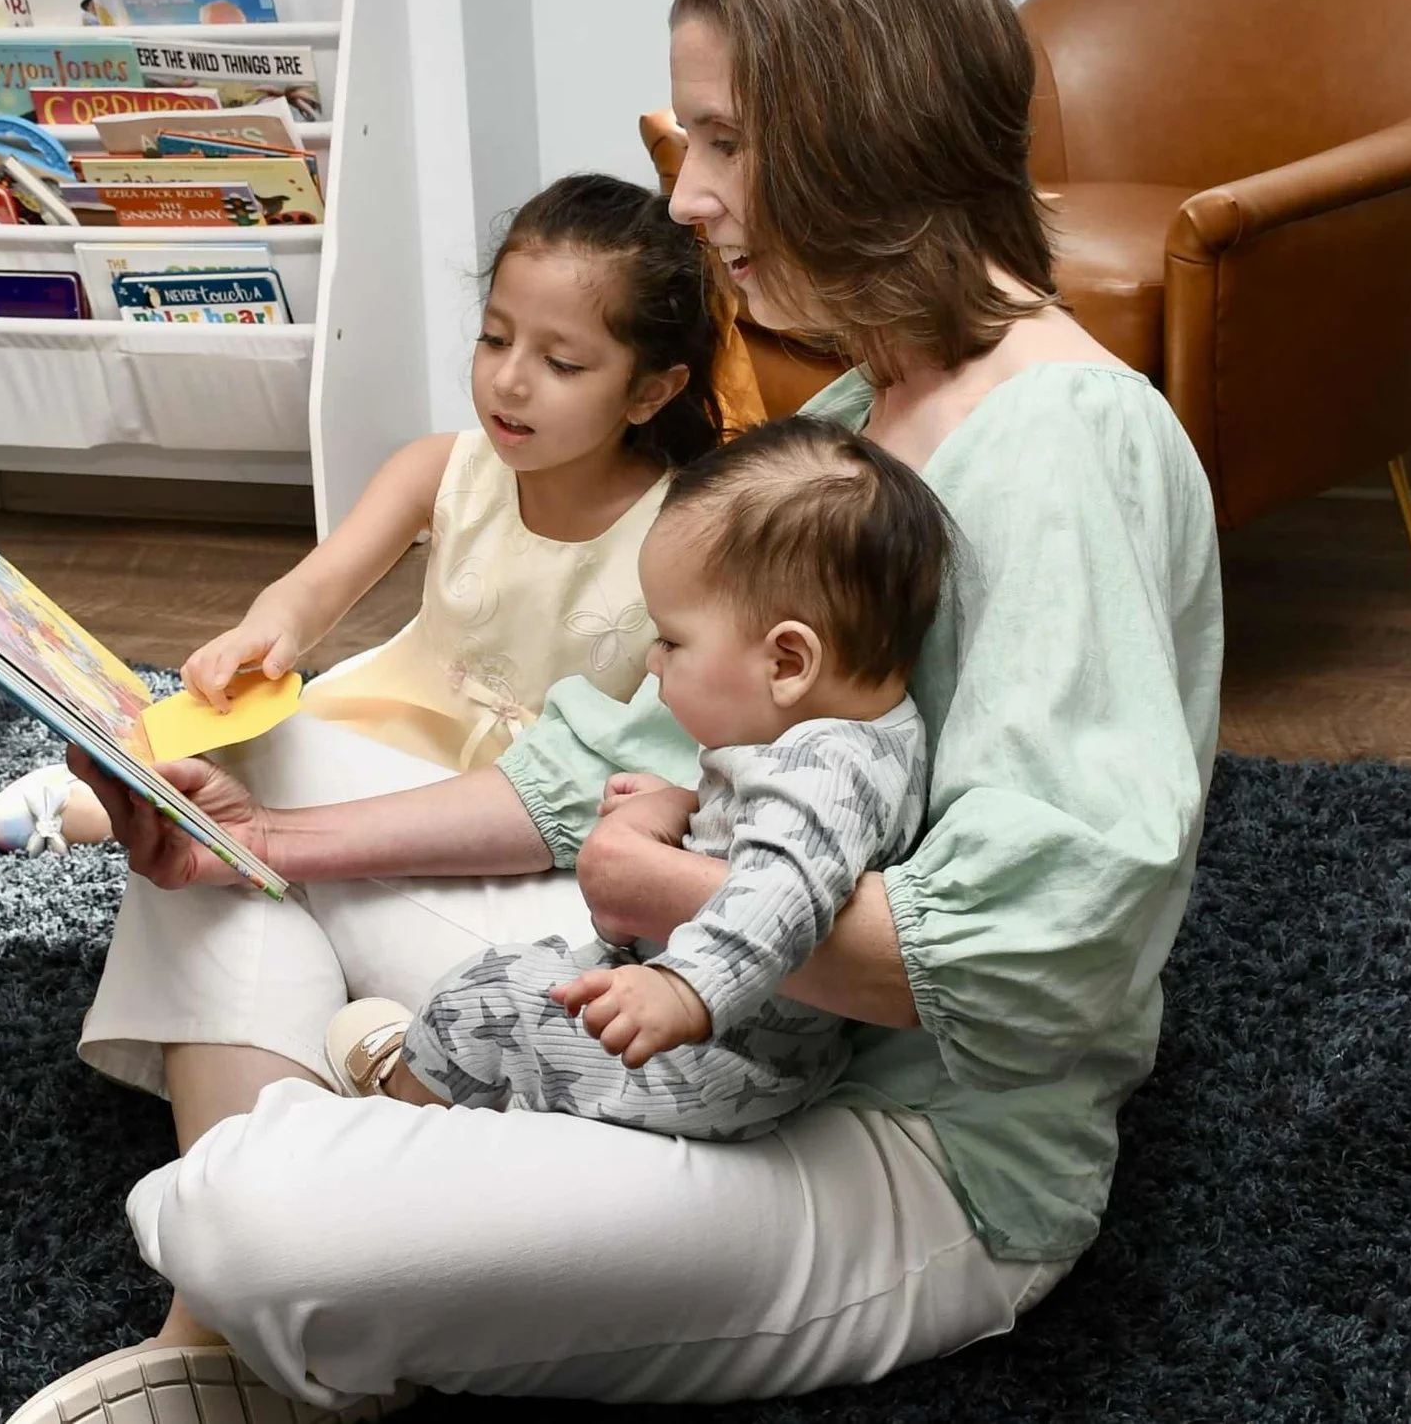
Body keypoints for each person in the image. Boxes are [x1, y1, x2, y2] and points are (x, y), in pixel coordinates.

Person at [12, 0, 1224, 1424]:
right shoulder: (858, 409)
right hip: (682, 999)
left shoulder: (1066, 440)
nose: (691, 197)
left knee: (258, 1213)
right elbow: (616, 766)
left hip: (903, 1147)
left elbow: (1059, 947)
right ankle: (268, 1310)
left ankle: (273, 1264)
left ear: (866, 138)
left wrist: (678, 896)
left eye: (721, 142)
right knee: (238, 765)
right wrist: (267, 842)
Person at [0, 171, 724, 856]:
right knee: (251, 754)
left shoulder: (688, 531)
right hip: (388, 738)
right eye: (494, 338)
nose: (509, 379)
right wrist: (265, 632)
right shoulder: (442, 467)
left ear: (650, 391)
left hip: (526, 806)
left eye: (560, 363)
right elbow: (313, 589)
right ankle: (92, 805)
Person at [334, 416, 951, 1147]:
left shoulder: (824, 768)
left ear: (788, 662)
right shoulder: (867, 732)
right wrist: (685, 809)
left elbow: (782, 887)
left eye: (672, 640)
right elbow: (779, 843)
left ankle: (393, 1117)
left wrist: (685, 986)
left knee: (484, 996)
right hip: (742, 1037)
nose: (653, 662)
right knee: (550, 971)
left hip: (714, 1059)